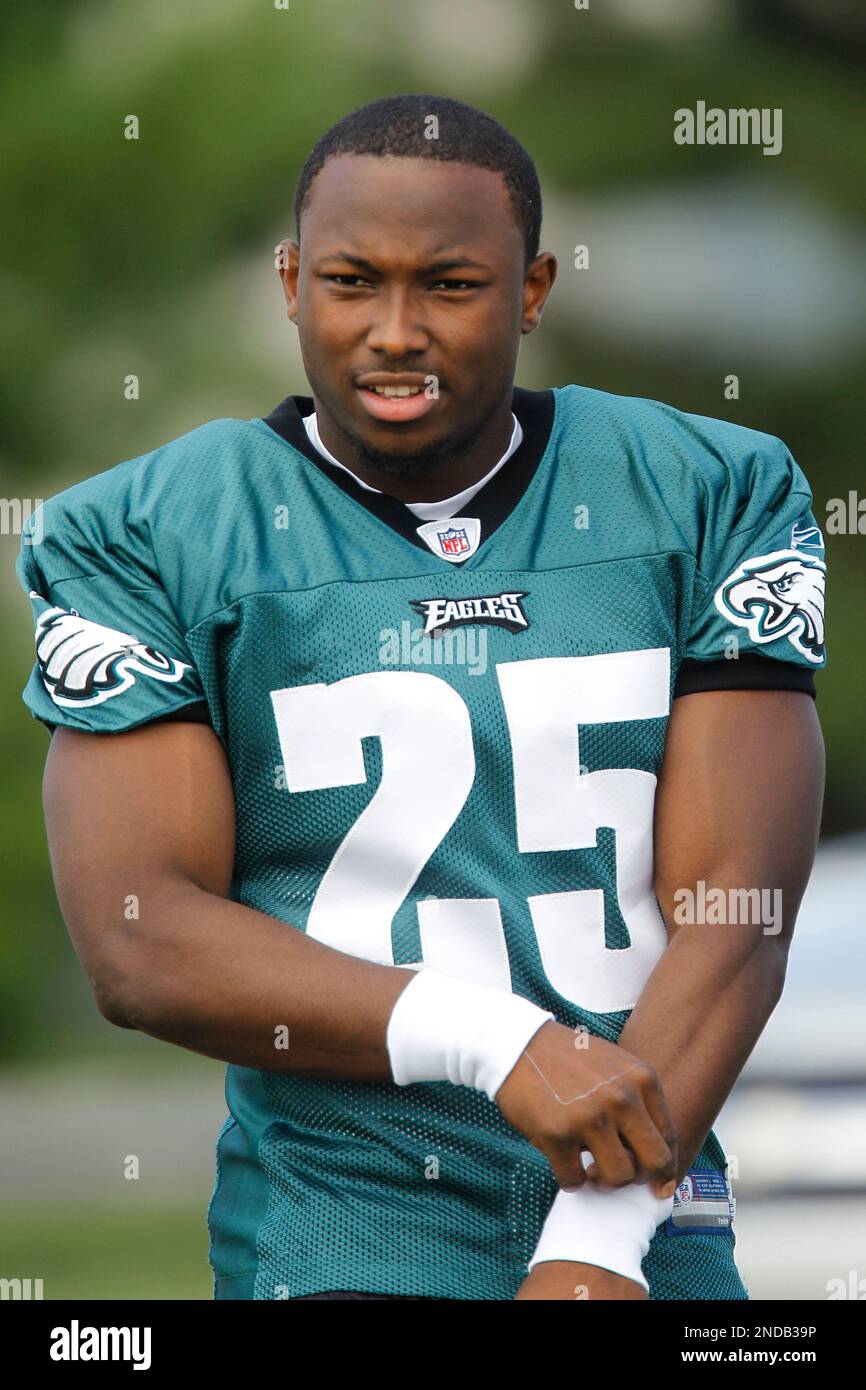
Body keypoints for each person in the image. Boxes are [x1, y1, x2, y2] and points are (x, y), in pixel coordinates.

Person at [18, 94, 826, 1301]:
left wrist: (596, 1246)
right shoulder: (149, 532)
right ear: (291, 280)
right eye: (350, 282)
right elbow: (141, 940)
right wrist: (499, 1042)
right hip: (346, 1226)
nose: (394, 331)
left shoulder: (704, 489)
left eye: (449, 285)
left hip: (649, 1215)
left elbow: (736, 909)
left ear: (532, 288)